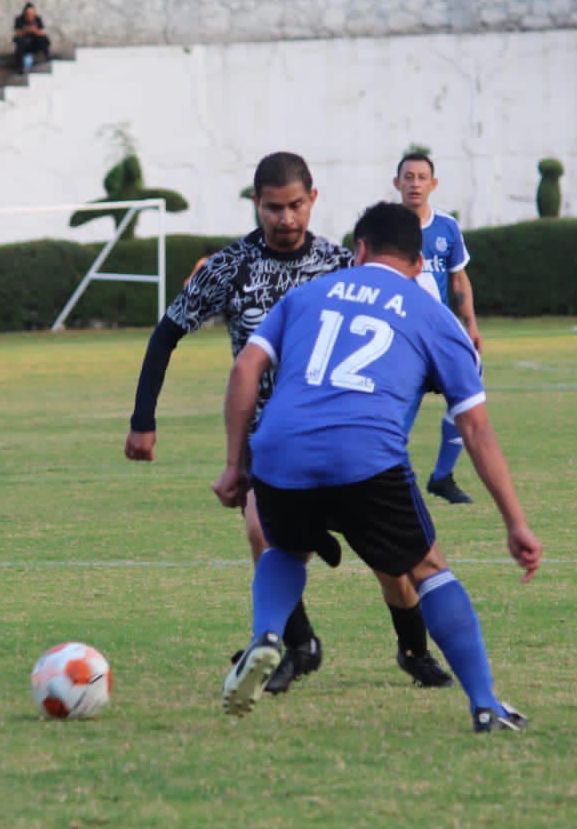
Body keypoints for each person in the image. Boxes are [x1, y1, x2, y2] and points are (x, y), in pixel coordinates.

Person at [124, 152, 453, 695]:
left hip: (344, 431)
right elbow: (167, 333)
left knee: (390, 562)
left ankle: (414, 649)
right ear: (257, 204)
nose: (285, 218)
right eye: (273, 208)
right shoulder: (229, 267)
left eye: (295, 205)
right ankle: (295, 644)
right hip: (267, 440)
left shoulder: (342, 263)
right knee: (262, 533)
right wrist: (143, 419)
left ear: (313, 200)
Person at [213, 201, 543, 730]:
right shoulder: (433, 314)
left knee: (285, 549)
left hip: (280, 449)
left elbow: (247, 365)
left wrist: (235, 463)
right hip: (365, 455)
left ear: (358, 250)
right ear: (417, 263)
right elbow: (474, 428)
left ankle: (269, 634)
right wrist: (515, 523)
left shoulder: (305, 296)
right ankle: (485, 704)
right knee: (429, 570)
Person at [393, 152, 480, 505]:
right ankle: (390, 482)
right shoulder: (384, 228)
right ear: (397, 183)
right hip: (400, 339)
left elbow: (458, 279)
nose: (415, 183)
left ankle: (443, 476)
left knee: (466, 398)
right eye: (408, 177)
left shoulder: (447, 227)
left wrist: (471, 323)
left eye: (421, 177)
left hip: (442, 337)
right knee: (395, 418)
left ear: (433, 183)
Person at [13, 4, 51, 73]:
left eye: (32, 14)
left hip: (35, 43)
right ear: (25, 13)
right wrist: (25, 30)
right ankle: (20, 68)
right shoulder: (19, 19)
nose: (30, 16)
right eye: (28, 14)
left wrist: (34, 30)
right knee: (19, 42)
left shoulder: (38, 19)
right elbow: (17, 33)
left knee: (44, 39)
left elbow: (42, 32)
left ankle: (48, 59)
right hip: (24, 44)